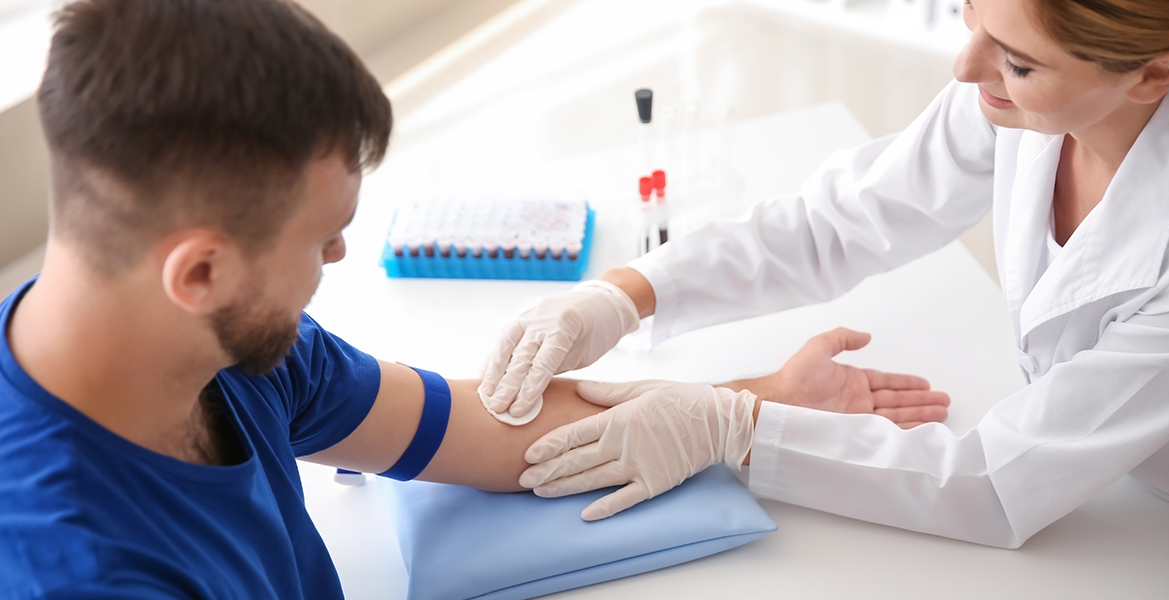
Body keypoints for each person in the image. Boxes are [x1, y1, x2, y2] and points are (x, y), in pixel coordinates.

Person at [0, 0, 949, 597]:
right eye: (321, 236)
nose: (341, 253)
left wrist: (751, 404)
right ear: (199, 272)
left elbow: (482, 430)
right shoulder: (78, 566)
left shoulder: (227, 348)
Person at [481, 0, 1169, 548]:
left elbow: (993, 483)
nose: (965, 68)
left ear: (1157, 74)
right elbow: (838, 222)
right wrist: (626, 293)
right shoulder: (1019, 93)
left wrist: (737, 425)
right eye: (966, 13)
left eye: (1017, 62)